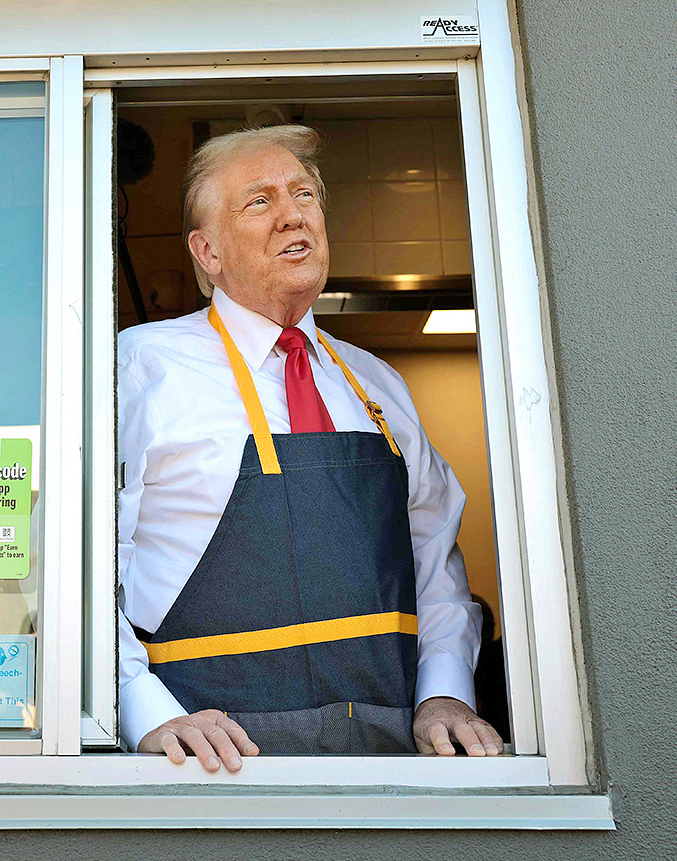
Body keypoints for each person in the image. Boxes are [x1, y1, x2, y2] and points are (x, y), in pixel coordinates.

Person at [117, 125, 504, 771]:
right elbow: (83, 574)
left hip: (390, 772)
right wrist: (144, 711)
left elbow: (435, 564)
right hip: (207, 773)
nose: (293, 213)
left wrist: (444, 695)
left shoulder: (378, 384)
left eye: (303, 194)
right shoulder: (141, 368)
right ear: (206, 252)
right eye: (260, 201)